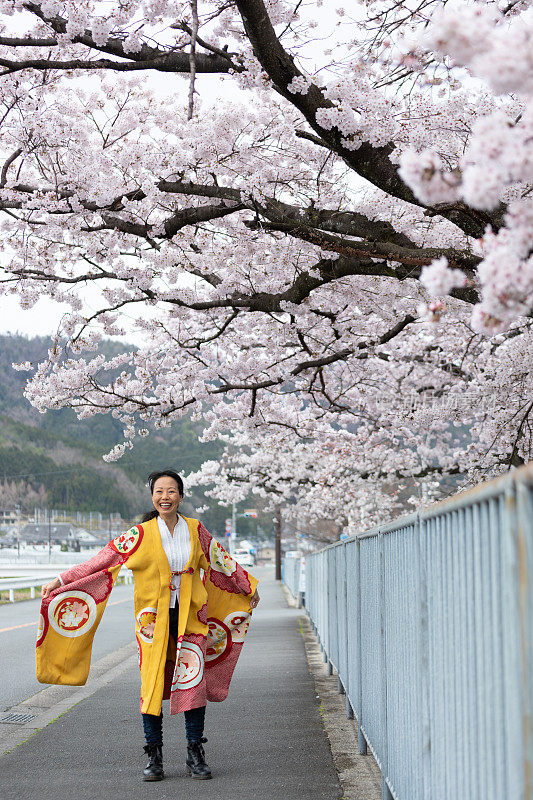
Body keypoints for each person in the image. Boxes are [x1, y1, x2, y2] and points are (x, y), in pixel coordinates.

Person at [39, 469, 260, 782]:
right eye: (159, 492)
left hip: (191, 617)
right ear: (152, 497)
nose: (164, 497)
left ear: (181, 497)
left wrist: (248, 585)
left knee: (193, 681)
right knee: (152, 682)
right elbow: (102, 560)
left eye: (171, 491)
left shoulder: (196, 530)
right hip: (152, 621)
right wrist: (61, 580)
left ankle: (195, 751)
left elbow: (221, 562)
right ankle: (153, 755)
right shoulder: (140, 534)